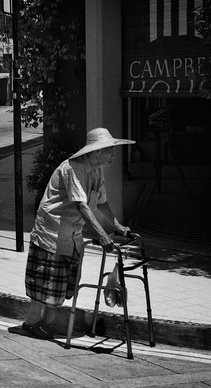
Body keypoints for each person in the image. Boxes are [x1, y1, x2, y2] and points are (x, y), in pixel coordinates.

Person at [8, 127, 135, 340]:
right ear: (97, 151)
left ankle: (47, 324)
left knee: (61, 284)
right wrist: (102, 236)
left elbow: (102, 203)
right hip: (52, 231)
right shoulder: (73, 168)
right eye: (109, 150)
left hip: (72, 234)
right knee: (45, 282)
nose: (112, 154)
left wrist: (118, 227)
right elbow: (81, 205)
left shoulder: (97, 171)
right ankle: (31, 323)